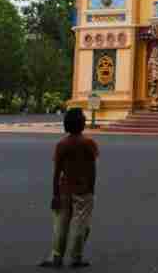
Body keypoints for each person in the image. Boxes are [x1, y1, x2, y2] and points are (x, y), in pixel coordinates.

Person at [40, 108, 99, 268]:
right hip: (84, 189)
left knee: (60, 224)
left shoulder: (62, 144)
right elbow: (92, 169)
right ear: (82, 124)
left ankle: (56, 256)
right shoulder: (89, 143)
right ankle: (76, 256)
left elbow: (57, 171)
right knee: (81, 224)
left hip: (64, 188)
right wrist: (92, 189)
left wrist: (55, 194)